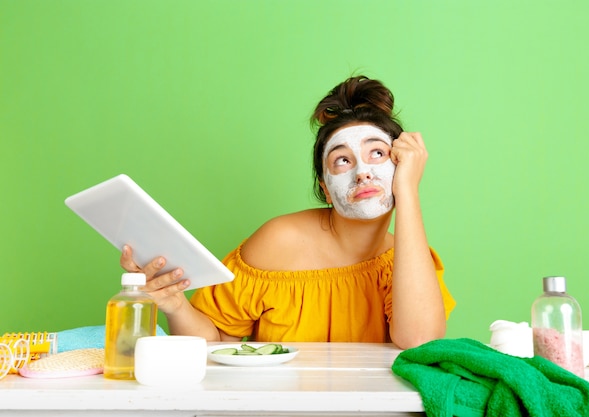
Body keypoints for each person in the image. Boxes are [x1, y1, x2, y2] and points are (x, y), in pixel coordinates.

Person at [120, 75, 455, 349]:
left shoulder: (406, 260)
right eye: (342, 160)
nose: (362, 172)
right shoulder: (279, 241)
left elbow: (419, 340)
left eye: (378, 154)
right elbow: (215, 342)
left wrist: (408, 191)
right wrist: (175, 304)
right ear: (325, 188)